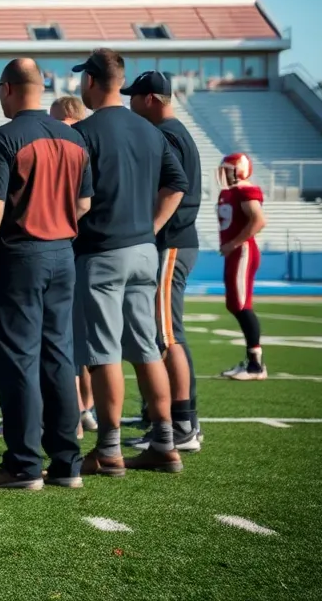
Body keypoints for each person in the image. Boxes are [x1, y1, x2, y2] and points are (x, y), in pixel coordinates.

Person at [0, 59, 91, 489]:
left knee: (17, 361)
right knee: (58, 357)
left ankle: (22, 464)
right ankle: (66, 464)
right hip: (63, 254)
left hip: (20, 255)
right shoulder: (73, 137)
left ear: (7, 89)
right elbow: (84, 205)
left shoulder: (4, 137)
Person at [72, 48, 188, 475]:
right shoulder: (149, 131)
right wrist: (150, 227)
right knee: (145, 348)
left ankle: (108, 449)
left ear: (90, 80)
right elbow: (177, 184)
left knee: (104, 353)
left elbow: (76, 199)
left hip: (102, 251)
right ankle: (164, 442)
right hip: (143, 251)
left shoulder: (84, 132)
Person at [126, 71, 205, 450]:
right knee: (163, 332)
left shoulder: (167, 134)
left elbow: (175, 186)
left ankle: (184, 424)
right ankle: (176, 419)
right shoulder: (171, 131)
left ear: (152, 99)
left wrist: (151, 228)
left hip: (172, 241)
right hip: (172, 240)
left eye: (135, 96)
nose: (130, 103)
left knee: (167, 333)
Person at [49, 95, 97, 434]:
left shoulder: (73, 146)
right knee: (84, 341)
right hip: (90, 250)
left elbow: (81, 203)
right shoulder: (84, 145)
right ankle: (85, 412)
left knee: (66, 339)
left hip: (75, 251)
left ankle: (77, 413)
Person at [216, 152, 268, 380]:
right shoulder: (230, 193)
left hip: (243, 251)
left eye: (228, 170)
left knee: (241, 304)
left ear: (238, 170)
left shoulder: (246, 191)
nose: (224, 174)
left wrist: (234, 243)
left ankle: (256, 365)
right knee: (234, 304)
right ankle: (251, 361)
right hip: (235, 251)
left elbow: (258, 220)